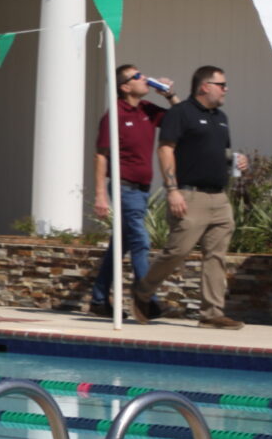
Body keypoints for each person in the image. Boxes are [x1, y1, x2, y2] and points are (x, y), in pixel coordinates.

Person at [132, 65, 246, 329]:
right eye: (221, 85)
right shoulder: (180, 113)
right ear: (205, 86)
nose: (226, 89)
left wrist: (237, 160)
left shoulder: (221, 117)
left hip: (219, 198)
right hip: (189, 195)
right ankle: (143, 291)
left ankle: (212, 314)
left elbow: (220, 152)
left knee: (216, 257)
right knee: (177, 251)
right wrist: (172, 190)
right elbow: (165, 150)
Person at [90, 64, 172, 315]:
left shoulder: (147, 109)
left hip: (143, 189)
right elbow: (101, 155)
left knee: (120, 245)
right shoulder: (114, 114)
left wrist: (169, 95)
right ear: (125, 86)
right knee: (141, 241)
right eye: (137, 76)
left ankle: (98, 300)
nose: (144, 78)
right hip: (125, 187)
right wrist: (100, 195)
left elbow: (179, 119)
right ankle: (147, 299)